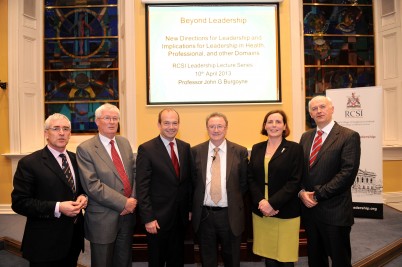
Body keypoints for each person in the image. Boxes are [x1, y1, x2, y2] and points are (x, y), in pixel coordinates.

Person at [11, 113, 87, 267]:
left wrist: (83, 196)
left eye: (66, 129)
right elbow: (19, 203)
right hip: (44, 243)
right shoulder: (29, 163)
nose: (61, 133)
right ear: (46, 133)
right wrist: (58, 207)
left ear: (70, 134)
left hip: (73, 239)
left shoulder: (75, 159)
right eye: (56, 128)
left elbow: (78, 189)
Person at [299, 95, 361, 267]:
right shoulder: (305, 137)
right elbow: (299, 171)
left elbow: (347, 174)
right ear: (310, 114)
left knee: (340, 260)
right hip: (310, 212)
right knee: (315, 259)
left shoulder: (349, 136)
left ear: (332, 109)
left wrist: (317, 195)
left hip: (335, 212)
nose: (318, 111)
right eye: (314, 108)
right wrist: (302, 192)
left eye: (322, 107)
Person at [77, 103, 137, 267]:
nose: (112, 122)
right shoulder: (85, 149)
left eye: (115, 118)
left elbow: (135, 173)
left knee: (124, 261)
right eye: (107, 118)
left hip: (128, 215)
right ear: (97, 121)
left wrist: (132, 201)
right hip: (103, 218)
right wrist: (123, 202)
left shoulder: (124, 143)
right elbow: (92, 185)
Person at [136, 108, 193, 267]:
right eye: (166, 123)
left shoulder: (185, 147)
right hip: (157, 219)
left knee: (177, 259)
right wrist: (148, 218)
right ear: (159, 125)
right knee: (157, 260)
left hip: (180, 217)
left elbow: (187, 182)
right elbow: (142, 187)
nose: (171, 127)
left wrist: (188, 209)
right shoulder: (146, 149)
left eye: (175, 123)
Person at [192, 112, 248, 267]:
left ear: (226, 128)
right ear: (207, 128)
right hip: (204, 216)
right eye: (212, 126)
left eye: (219, 126)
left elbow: (243, 184)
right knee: (207, 259)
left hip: (229, 215)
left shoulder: (240, 151)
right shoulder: (195, 151)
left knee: (231, 259)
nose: (216, 130)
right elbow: (192, 183)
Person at [248, 110, 303, 267]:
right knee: (269, 255)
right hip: (261, 209)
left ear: (284, 126)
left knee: (286, 257)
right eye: (270, 122)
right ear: (265, 125)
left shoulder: (294, 149)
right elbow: (250, 177)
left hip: (285, 209)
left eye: (278, 122)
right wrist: (261, 201)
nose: (274, 125)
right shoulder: (257, 148)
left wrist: (272, 204)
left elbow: (295, 181)